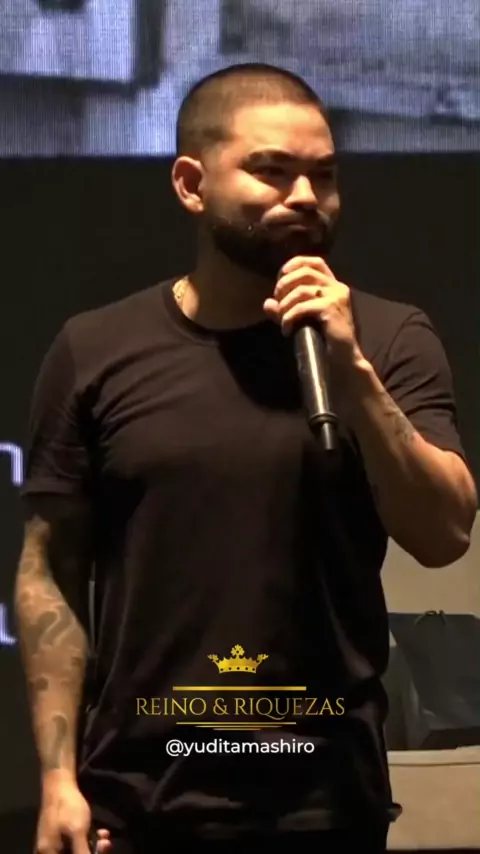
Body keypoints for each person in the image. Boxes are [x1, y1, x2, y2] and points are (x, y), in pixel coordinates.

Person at [15, 62, 477, 854]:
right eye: (272, 171)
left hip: (323, 799)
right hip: (139, 802)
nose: (304, 197)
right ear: (191, 185)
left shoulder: (389, 339)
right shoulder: (96, 349)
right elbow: (50, 572)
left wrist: (353, 372)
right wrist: (58, 779)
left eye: (323, 176)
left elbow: (444, 534)